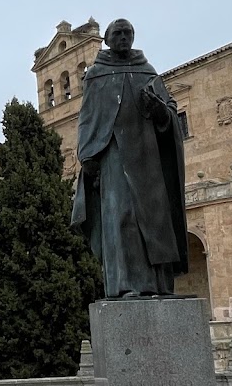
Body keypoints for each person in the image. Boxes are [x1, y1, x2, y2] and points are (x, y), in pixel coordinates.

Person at [71, 18, 188, 298]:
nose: (123, 37)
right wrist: (87, 157)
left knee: (154, 219)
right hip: (113, 155)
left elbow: (170, 109)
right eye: (118, 33)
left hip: (148, 156)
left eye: (128, 33)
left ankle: (157, 285)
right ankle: (124, 285)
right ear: (108, 39)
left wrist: (160, 111)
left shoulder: (147, 71)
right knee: (121, 216)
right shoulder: (97, 75)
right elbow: (87, 119)